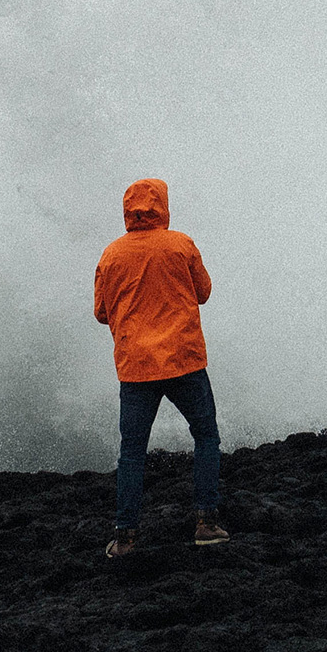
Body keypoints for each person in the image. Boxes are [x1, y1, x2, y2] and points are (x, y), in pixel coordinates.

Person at [94, 178, 227, 558]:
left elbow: (102, 313)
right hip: (184, 360)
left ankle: (125, 538)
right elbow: (203, 292)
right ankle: (206, 523)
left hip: (136, 368)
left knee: (132, 453)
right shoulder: (181, 245)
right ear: (162, 207)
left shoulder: (111, 255)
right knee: (205, 436)